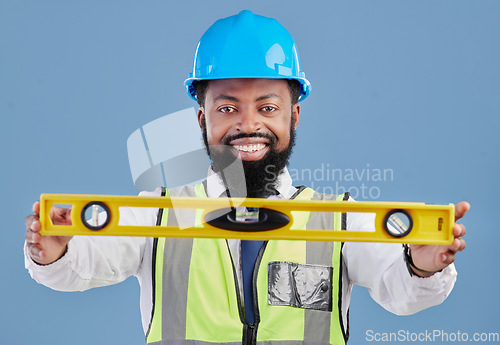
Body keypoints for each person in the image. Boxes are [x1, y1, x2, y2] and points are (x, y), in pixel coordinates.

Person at [24, 10, 469, 345]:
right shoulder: (157, 211)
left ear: (294, 115)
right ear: (202, 119)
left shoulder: (338, 220)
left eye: (268, 107)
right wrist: (53, 254)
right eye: (227, 108)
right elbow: (81, 266)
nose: (248, 124)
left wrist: (422, 265)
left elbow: (402, 293)